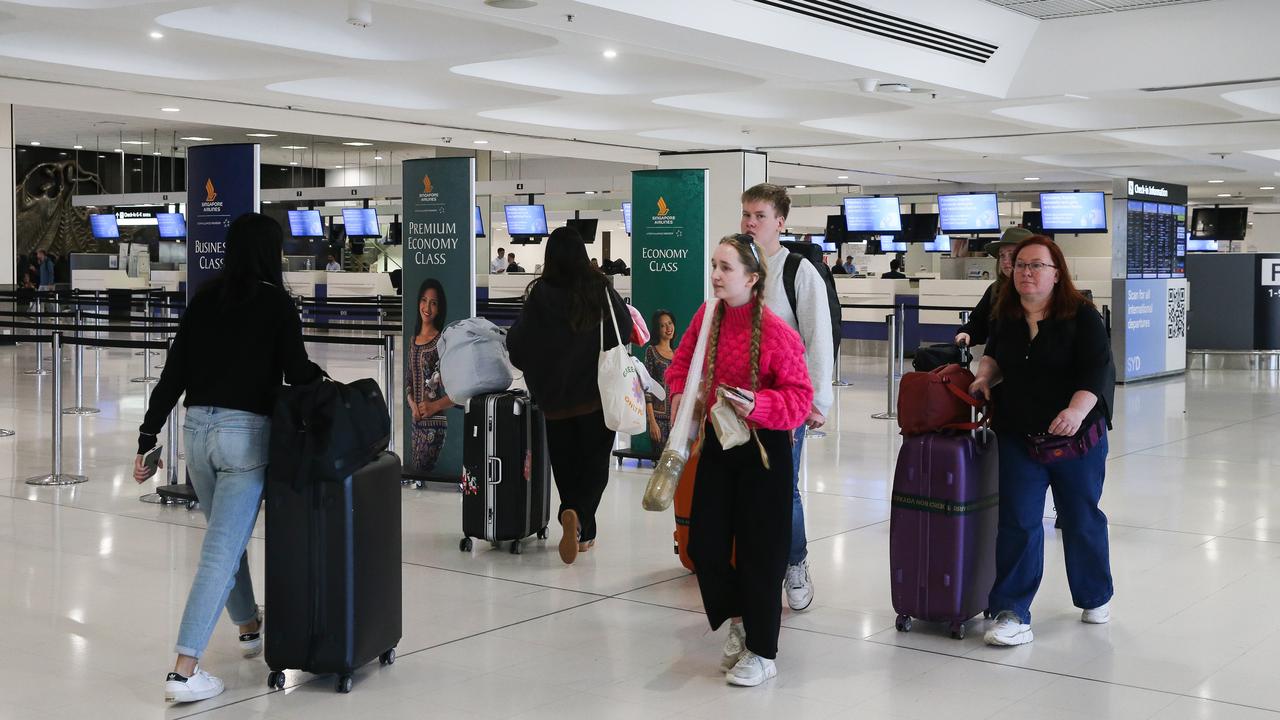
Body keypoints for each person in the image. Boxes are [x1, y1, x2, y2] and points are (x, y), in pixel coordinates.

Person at [132, 213, 323, 703]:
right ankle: (184, 669)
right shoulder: (276, 302)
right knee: (221, 550)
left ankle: (248, 627)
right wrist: (325, 382)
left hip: (197, 434)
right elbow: (297, 369)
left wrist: (147, 435)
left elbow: (174, 373)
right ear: (269, 253)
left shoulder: (205, 298)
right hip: (244, 438)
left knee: (226, 537)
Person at [664, 234, 813, 687]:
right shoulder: (706, 317)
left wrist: (760, 405)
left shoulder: (776, 333)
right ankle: (740, 620)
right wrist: (676, 395)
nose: (715, 275)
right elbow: (680, 364)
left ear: (752, 277)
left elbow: (800, 399)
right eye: (714, 265)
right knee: (705, 545)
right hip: (717, 447)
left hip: (764, 453)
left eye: (725, 268)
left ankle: (762, 652)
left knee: (760, 555)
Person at [968, 236, 1115, 647]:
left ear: (1056, 273)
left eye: (1036, 266)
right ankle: (1012, 611)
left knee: (1081, 517)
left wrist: (1075, 411)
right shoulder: (1007, 313)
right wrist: (984, 377)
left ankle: (1094, 594)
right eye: (1020, 266)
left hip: (1076, 438)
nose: (1026, 273)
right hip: (1019, 433)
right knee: (1018, 520)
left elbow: (1098, 370)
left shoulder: (1081, 316)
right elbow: (995, 355)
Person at [507, 226, 630, 565]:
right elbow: (626, 329)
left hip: (554, 403)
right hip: (596, 397)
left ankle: (578, 527)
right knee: (593, 467)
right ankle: (577, 518)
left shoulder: (540, 295)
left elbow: (516, 348)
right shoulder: (599, 289)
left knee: (566, 467)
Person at [740, 183, 832, 612]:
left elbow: (817, 338)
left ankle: (795, 562)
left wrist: (817, 402)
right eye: (746, 215)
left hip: (784, 401)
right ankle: (757, 566)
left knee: (783, 488)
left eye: (759, 215)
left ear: (780, 222)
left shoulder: (797, 271)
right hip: (740, 402)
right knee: (745, 487)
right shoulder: (738, 268)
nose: (750, 223)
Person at [955, 226, 1032, 347]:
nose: (1005, 261)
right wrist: (966, 333)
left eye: (1012, 255)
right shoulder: (996, 290)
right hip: (998, 362)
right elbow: (978, 324)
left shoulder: (1042, 292)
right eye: (1002, 255)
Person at [407, 278, 453, 473]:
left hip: (435, 424)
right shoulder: (413, 339)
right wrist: (412, 406)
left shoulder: (442, 341)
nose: (427, 307)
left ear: (439, 308)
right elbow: (409, 380)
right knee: (419, 474)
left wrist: (434, 406)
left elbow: (457, 392)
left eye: (433, 303)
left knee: (423, 473)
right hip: (416, 422)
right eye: (424, 300)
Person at [643, 309, 678, 447]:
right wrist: (652, 421)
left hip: (677, 419)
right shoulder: (651, 351)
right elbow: (646, 388)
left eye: (670, 323)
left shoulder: (679, 353)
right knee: (659, 463)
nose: (668, 328)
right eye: (663, 325)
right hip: (659, 419)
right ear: (657, 330)